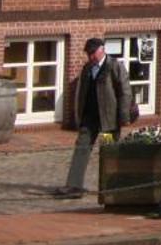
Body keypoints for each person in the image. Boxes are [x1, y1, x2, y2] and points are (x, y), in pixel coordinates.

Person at [56, 37, 136, 198]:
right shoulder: (87, 68)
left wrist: (123, 116)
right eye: (88, 53)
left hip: (108, 119)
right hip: (89, 117)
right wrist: (78, 115)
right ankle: (74, 186)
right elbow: (81, 93)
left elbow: (125, 92)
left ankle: (110, 186)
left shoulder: (115, 66)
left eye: (93, 53)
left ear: (102, 50)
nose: (91, 56)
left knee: (108, 150)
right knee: (81, 148)